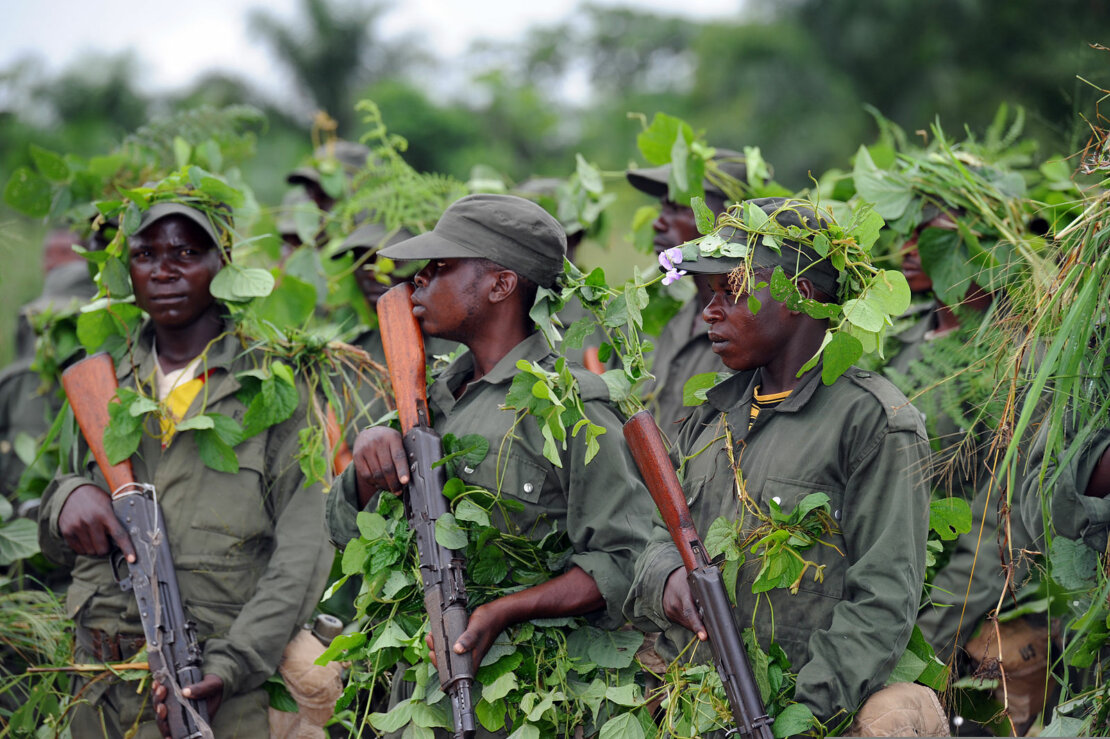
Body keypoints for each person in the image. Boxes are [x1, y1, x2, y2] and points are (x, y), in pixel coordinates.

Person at [625, 197, 945, 734]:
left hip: (810, 708)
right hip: (700, 698)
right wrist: (668, 578)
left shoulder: (872, 422)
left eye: (733, 292)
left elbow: (882, 602)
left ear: (797, 295)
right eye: (709, 294)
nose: (710, 311)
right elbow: (656, 537)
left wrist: (799, 719)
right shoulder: (711, 419)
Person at [324, 193, 654, 705]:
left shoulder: (571, 405)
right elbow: (343, 532)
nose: (419, 280)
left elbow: (624, 561)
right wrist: (368, 463)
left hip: (528, 695)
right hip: (418, 693)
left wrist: (506, 610)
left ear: (501, 284)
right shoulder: (431, 394)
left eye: (441, 267)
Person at [37, 199, 333, 737]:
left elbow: (304, 553)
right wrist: (66, 501)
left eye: (186, 252)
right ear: (126, 269)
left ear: (223, 264)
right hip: (98, 690)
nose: (164, 270)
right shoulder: (101, 385)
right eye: (146, 253)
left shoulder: (274, 390)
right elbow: (54, 514)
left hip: (221, 691)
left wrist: (232, 665)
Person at [626, 149, 750, 433]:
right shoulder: (680, 319)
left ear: (727, 218)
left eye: (679, 208)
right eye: (662, 208)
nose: (658, 222)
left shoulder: (751, 326)